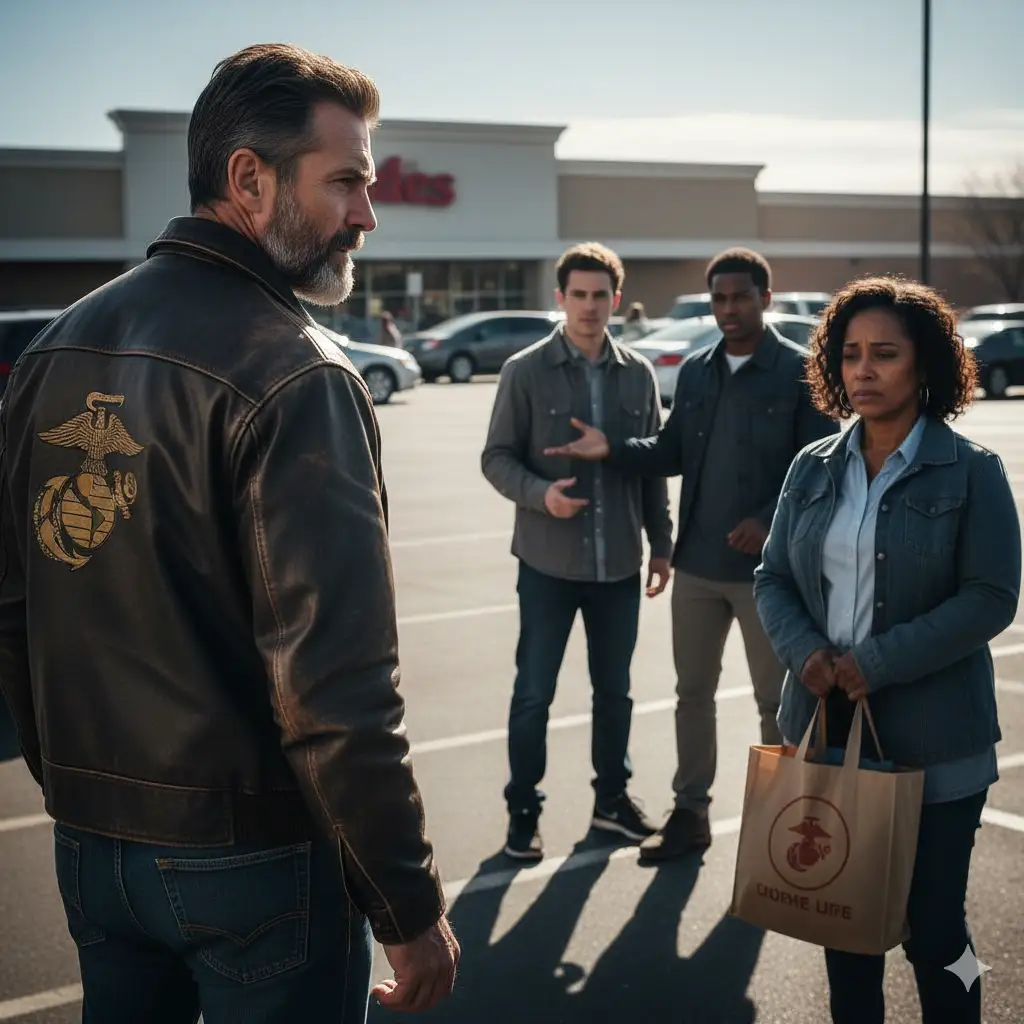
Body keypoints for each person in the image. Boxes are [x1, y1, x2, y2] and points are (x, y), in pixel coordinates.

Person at [0, 44, 458, 1022]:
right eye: (346, 182)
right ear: (249, 178)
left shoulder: (51, 349)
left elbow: (15, 613)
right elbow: (335, 689)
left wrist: (76, 790)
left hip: (88, 843)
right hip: (253, 860)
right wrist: (407, 904)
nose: (367, 215)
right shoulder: (298, 373)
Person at [753, 276, 1020, 1024]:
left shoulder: (972, 471)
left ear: (925, 365)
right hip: (829, 733)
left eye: (885, 354)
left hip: (940, 745)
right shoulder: (812, 466)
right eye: (850, 355)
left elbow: (991, 597)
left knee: (938, 936)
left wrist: (876, 661)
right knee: (846, 932)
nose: (863, 370)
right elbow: (773, 576)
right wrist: (806, 652)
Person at [544, 248, 838, 861]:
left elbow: (820, 470)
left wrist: (768, 521)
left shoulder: (798, 372)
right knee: (692, 695)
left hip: (770, 577)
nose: (729, 308)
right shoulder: (699, 371)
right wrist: (613, 450)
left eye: (741, 296)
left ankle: (777, 826)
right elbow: (673, 449)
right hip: (698, 569)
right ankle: (691, 813)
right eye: (720, 298)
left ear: (766, 297)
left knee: (774, 701)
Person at [481, 241, 674, 861]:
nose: (590, 307)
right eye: (579, 295)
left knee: (614, 692)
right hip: (547, 564)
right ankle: (522, 812)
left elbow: (650, 468)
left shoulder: (637, 374)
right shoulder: (524, 371)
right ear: (560, 298)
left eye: (601, 296)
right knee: (534, 692)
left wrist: (661, 545)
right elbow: (496, 458)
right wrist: (542, 496)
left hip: (617, 563)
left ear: (616, 300)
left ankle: (611, 803)